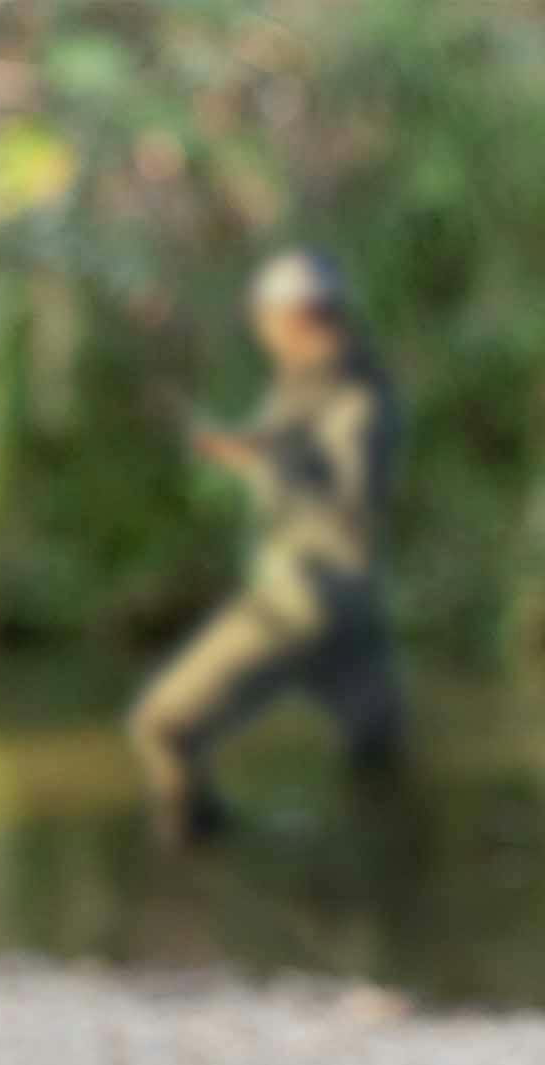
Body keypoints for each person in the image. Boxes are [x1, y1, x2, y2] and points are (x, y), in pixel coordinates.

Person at [129, 249, 402, 844]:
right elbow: (295, 452)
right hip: (356, 609)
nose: (264, 333)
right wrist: (235, 450)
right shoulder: (331, 381)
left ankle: (204, 884)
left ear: (297, 317)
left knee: (161, 728)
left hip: (305, 598)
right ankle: (386, 909)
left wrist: (270, 460)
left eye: (267, 320)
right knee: (383, 767)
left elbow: (344, 497)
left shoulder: (350, 393)